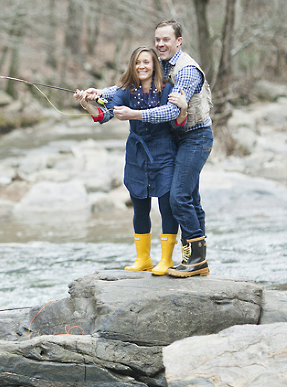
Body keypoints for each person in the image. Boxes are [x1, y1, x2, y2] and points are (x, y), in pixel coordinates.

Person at [84, 20, 214, 278]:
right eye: (158, 39)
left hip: (194, 136)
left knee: (178, 197)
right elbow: (125, 87)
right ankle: (196, 259)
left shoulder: (186, 70)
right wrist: (99, 93)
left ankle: (196, 259)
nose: (161, 44)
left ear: (179, 41)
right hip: (175, 137)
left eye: (166, 39)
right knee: (191, 198)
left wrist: (135, 114)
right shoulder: (160, 63)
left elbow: (172, 110)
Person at [75, 46, 188, 275]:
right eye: (137, 63)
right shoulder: (126, 90)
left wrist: (183, 110)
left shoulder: (168, 89)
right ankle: (143, 259)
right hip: (137, 155)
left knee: (167, 208)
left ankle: (166, 259)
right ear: (132, 67)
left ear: (155, 65)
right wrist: (88, 103)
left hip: (164, 153)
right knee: (139, 208)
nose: (142, 67)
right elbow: (104, 115)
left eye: (146, 62)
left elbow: (177, 121)